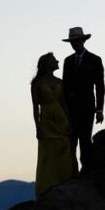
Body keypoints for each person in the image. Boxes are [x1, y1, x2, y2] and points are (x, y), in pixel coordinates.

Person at [31, 52, 78, 196]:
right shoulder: (37, 84)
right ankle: (48, 186)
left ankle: (65, 181)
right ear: (47, 64)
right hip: (46, 119)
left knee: (65, 147)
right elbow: (35, 108)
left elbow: (64, 102)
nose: (57, 61)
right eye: (54, 60)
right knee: (48, 152)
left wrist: (69, 121)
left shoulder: (60, 82)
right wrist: (38, 127)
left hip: (60, 117)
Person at [61, 26, 105, 169]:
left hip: (87, 108)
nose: (74, 44)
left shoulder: (95, 60)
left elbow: (100, 86)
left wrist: (99, 109)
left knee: (85, 141)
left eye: (77, 41)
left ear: (82, 41)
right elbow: (65, 86)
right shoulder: (67, 61)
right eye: (72, 42)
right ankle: (72, 172)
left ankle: (87, 171)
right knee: (71, 142)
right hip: (70, 109)